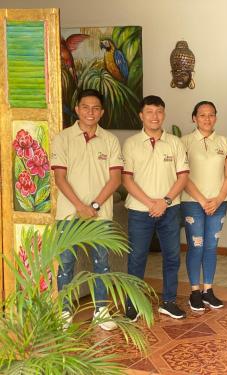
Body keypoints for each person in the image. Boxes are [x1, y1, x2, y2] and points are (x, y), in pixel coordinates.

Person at [51, 89, 123, 331]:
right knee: (66, 263)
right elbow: (60, 178)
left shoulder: (110, 140)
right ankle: (64, 312)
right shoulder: (62, 138)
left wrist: (93, 206)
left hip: (100, 215)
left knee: (101, 263)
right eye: (85, 107)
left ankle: (101, 310)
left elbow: (115, 179)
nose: (90, 112)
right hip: (68, 214)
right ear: (77, 109)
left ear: (102, 112)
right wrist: (80, 206)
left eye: (95, 108)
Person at [122, 95, 189, 321]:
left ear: (164, 114)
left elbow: (183, 177)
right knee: (137, 258)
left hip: (169, 210)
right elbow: (127, 180)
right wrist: (151, 203)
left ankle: (169, 301)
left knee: (172, 257)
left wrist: (165, 201)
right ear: (141, 115)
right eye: (149, 112)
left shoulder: (175, 143)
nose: (154, 116)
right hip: (140, 211)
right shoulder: (131, 144)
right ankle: (133, 304)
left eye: (159, 111)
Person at [181, 101, 227, 311]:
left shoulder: (223, 142)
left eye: (211, 114)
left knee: (211, 247)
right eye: (202, 115)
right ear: (194, 118)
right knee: (197, 245)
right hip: (193, 203)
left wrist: (219, 198)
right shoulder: (183, 142)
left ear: (216, 118)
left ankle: (208, 290)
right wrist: (203, 200)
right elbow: (182, 176)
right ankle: (194, 291)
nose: (207, 118)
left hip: (218, 203)